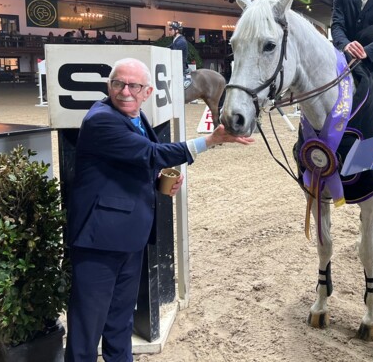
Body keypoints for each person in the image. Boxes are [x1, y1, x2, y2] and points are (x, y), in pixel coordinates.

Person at [64, 58, 253, 362]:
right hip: (98, 241)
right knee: (86, 330)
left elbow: (134, 162)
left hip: (129, 237)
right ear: (108, 86)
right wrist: (209, 141)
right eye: (118, 83)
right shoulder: (102, 119)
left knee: (120, 322)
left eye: (134, 85)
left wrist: (158, 182)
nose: (125, 91)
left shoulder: (136, 118)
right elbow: (150, 153)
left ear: (147, 92)